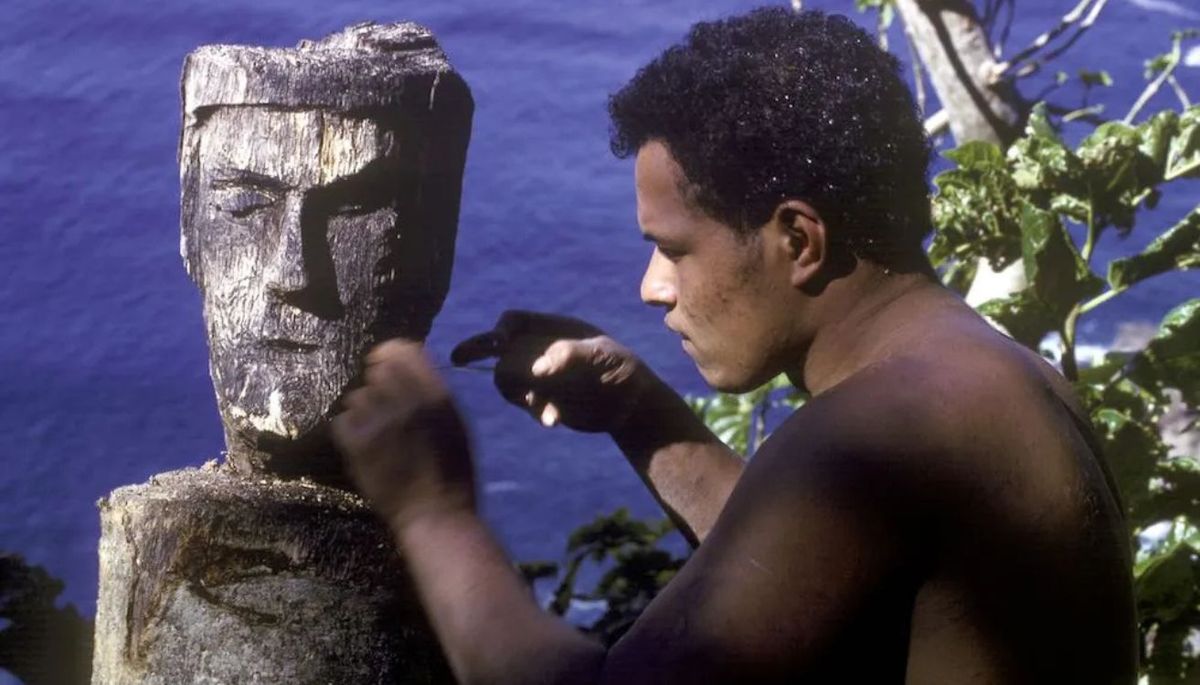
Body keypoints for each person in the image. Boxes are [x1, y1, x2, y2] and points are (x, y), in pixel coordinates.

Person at [332, 8, 1138, 683]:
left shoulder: (883, 430)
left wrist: (432, 508)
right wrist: (636, 409)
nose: (653, 286)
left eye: (674, 248)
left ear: (798, 238)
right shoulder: (994, 375)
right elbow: (805, 571)